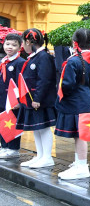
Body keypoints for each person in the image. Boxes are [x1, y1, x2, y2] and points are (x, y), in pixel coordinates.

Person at [54, 28, 90, 180]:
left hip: (74, 103)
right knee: (80, 135)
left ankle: (82, 166)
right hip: (84, 101)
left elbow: (67, 84)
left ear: (74, 43)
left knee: (80, 136)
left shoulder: (73, 61)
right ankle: (79, 162)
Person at [15, 29, 57, 168]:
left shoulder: (44, 57)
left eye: (23, 43)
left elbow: (44, 79)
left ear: (28, 42)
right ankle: (40, 155)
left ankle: (47, 157)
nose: (23, 47)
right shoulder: (34, 57)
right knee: (36, 128)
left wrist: (37, 98)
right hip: (31, 100)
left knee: (43, 128)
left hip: (40, 101)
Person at [0, 33, 25, 159]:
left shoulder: (19, 62)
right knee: (3, 121)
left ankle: (13, 148)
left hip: (12, 100)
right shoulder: (3, 61)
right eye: (7, 44)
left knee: (12, 122)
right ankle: (4, 146)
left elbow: (20, 83)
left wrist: (18, 100)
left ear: (20, 47)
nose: (10, 47)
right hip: (2, 97)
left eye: (14, 45)